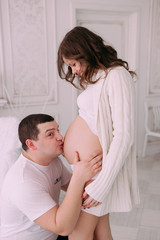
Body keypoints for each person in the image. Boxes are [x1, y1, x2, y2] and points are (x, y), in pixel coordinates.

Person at [57, 26, 140, 240]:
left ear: (86, 52)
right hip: (87, 171)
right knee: (99, 233)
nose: (73, 71)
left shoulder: (117, 76)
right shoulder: (98, 78)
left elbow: (124, 135)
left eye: (74, 64)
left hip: (96, 175)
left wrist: (101, 185)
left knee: (79, 234)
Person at [0, 113, 102, 240]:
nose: (60, 137)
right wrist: (79, 177)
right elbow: (63, 228)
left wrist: (96, 184)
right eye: (50, 134)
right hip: (48, 232)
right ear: (31, 144)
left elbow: (73, 187)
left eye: (57, 130)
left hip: (53, 233)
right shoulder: (22, 182)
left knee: (95, 220)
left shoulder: (53, 161)